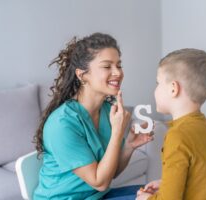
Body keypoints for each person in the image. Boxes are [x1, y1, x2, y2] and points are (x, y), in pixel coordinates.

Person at [33, 32, 153, 200]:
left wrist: (129, 146)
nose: (117, 72)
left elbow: (111, 172)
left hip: (96, 196)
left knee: (160, 193)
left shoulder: (106, 110)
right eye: (107, 66)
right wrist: (118, 133)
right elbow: (100, 182)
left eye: (119, 65)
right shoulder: (62, 124)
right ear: (82, 75)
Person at [136, 48, 206, 200]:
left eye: (158, 83)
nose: (155, 89)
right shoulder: (203, 125)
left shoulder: (177, 136)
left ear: (173, 89)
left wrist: (146, 199)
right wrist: (165, 184)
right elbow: (199, 177)